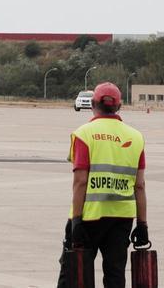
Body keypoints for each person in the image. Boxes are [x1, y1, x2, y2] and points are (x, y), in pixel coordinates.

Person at [58, 82, 149, 288]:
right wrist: (142, 225)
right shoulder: (135, 137)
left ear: (93, 104)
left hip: (89, 216)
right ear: (119, 106)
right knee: (115, 275)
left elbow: (80, 181)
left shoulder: (84, 134)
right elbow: (140, 186)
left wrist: (76, 221)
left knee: (75, 274)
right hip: (122, 218)